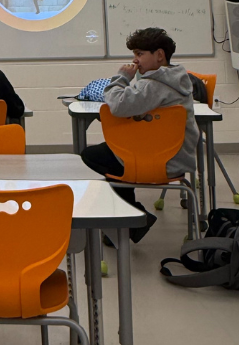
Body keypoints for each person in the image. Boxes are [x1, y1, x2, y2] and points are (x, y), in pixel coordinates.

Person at [81, 27, 198, 243]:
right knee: (113, 156)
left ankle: (131, 217)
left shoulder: (154, 85)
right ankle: (128, 219)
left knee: (93, 155)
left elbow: (117, 105)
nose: (136, 60)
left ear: (159, 55)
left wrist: (121, 78)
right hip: (177, 157)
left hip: (158, 160)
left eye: (140, 54)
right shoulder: (176, 80)